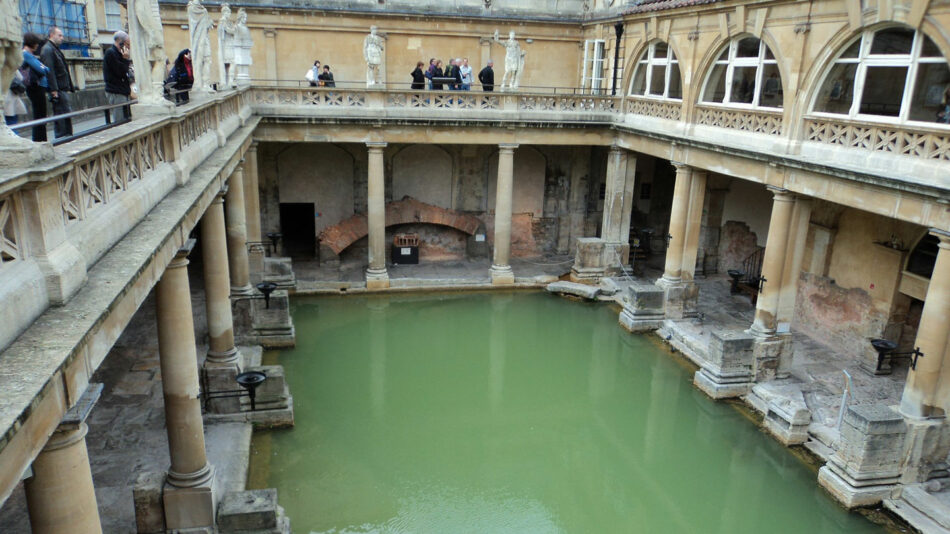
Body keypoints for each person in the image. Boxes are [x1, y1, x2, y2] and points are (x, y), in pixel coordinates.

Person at [40, 26, 74, 138]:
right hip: (58, 89)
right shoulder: (48, 49)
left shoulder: (53, 49)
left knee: (65, 115)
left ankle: (68, 136)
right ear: (51, 35)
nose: (62, 38)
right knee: (61, 116)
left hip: (61, 88)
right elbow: (50, 71)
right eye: (59, 35)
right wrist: (54, 90)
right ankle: (63, 138)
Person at [21, 32, 50, 141]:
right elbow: (43, 69)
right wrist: (44, 68)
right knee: (40, 115)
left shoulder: (29, 55)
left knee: (40, 115)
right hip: (35, 87)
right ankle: (39, 140)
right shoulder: (26, 54)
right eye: (36, 43)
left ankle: (40, 139)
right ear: (32, 43)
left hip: (36, 87)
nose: (38, 45)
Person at [103, 31, 133, 122]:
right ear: (120, 42)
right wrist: (125, 59)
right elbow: (120, 71)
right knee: (121, 120)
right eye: (127, 44)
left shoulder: (120, 54)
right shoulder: (110, 53)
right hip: (116, 91)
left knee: (127, 118)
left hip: (123, 90)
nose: (128, 47)